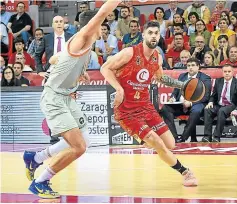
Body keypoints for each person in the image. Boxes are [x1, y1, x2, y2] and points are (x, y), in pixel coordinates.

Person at [23, 0, 121, 198]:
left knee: (85, 139)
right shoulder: (83, 37)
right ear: (92, 25)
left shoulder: (84, 45)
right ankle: (40, 182)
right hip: (54, 98)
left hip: (66, 97)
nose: (102, 29)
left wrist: (76, 73)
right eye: (99, 25)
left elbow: (53, 59)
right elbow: (103, 11)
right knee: (79, 147)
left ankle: (36, 158)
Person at [101, 21, 198, 187]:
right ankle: (185, 172)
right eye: (150, 32)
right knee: (158, 143)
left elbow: (160, 78)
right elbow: (105, 68)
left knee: (170, 144)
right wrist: (119, 89)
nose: (153, 36)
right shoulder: (129, 52)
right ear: (143, 34)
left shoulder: (157, 57)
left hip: (145, 106)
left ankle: (147, 141)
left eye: (156, 33)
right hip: (127, 111)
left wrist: (182, 85)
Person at [160, 58, 211, 143]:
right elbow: (176, 91)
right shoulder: (182, 76)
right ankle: (174, 137)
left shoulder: (205, 78)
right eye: (189, 66)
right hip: (180, 104)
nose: (190, 67)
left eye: (193, 65)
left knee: (196, 110)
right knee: (165, 109)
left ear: (198, 67)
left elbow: (206, 96)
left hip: (196, 103)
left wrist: (191, 103)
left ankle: (183, 137)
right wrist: (172, 97)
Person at [202, 64, 237, 142]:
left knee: (222, 111)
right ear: (222, 72)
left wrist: (236, 110)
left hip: (231, 105)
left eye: (229, 71)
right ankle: (207, 136)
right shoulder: (218, 81)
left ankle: (216, 136)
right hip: (219, 105)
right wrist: (211, 102)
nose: (227, 73)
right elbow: (213, 95)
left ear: (232, 72)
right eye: (225, 71)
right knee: (207, 110)